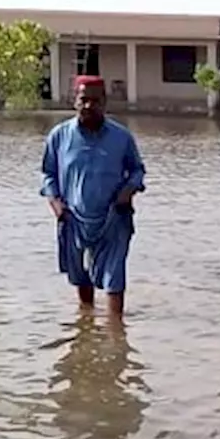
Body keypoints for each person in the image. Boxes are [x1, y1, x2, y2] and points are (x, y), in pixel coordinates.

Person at [41, 76, 146, 319]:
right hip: (73, 217)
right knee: (80, 276)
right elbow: (48, 173)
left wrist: (128, 191)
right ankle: (86, 325)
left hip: (114, 217)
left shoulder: (121, 137)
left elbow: (137, 170)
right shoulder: (59, 137)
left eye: (95, 100)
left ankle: (115, 334)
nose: (89, 105)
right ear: (74, 101)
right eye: (83, 99)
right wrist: (55, 203)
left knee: (114, 276)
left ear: (105, 102)